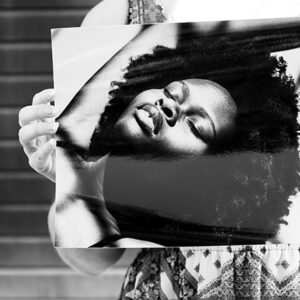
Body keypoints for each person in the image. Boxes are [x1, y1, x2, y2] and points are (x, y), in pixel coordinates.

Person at [18, 0, 300, 298]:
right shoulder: (128, 14)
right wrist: (68, 181)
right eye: (170, 91)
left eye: (195, 127)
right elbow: (90, 261)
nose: (168, 105)